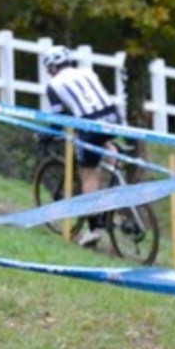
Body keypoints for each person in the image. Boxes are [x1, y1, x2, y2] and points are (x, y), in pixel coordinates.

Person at [41, 45, 123, 246]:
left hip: (91, 125)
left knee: (89, 174)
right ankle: (114, 174)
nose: (49, 72)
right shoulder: (87, 72)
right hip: (113, 118)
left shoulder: (54, 85)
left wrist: (46, 135)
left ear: (53, 67)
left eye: (49, 69)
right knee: (104, 144)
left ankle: (95, 228)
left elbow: (58, 119)